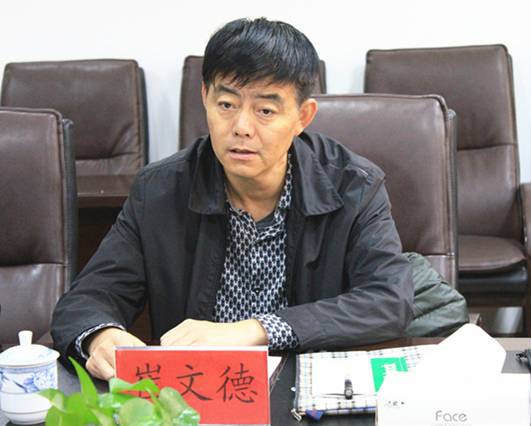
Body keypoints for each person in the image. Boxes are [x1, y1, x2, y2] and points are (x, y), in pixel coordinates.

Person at [51, 17, 414, 380]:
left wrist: (256, 329)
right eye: (226, 104)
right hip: (199, 393)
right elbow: (87, 299)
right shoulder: (159, 191)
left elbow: (389, 300)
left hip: (308, 388)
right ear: (205, 97)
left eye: (265, 111)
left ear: (302, 116)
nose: (241, 127)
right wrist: (100, 336)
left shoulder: (354, 186)